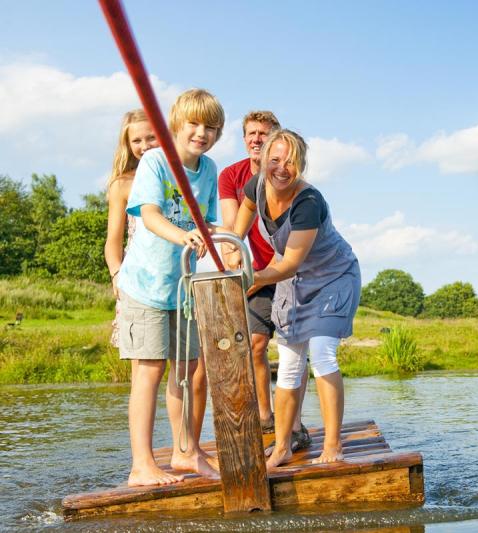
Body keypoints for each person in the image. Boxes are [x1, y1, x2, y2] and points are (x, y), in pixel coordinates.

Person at [226, 129, 360, 468]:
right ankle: (283, 446)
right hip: (293, 281)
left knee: (321, 353)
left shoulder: (308, 202)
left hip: (332, 278)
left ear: (300, 165)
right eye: (275, 160)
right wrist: (234, 246)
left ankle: (333, 445)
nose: (282, 168)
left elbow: (289, 263)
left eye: (291, 162)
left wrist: (250, 279)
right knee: (287, 365)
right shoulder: (257, 184)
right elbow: (245, 207)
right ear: (265, 160)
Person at [116, 88, 224, 486]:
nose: (202, 133)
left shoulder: (208, 169)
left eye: (211, 127)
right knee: (149, 370)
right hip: (146, 284)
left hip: (182, 287)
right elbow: (149, 214)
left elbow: (207, 221)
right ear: (177, 124)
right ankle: (141, 464)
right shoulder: (156, 161)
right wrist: (183, 236)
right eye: (195, 124)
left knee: (188, 369)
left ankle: (186, 452)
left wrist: (207, 233)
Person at [192, 111, 310, 451]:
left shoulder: (288, 175)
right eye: (251, 134)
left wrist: (256, 277)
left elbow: (289, 247)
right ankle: (264, 417)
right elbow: (234, 228)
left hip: (287, 268)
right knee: (256, 343)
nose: (256, 139)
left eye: (264, 133)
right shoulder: (232, 175)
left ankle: (296, 423)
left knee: (293, 346)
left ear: (277, 139)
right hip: (253, 267)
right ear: (244, 139)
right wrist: (236, 267)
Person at [105, 109, 159, 357]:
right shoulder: (123, 184)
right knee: (143, 361)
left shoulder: (178, 176)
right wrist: (117, 275)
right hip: (138, 279)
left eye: (151, 137)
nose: (145, 145)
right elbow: (113, 241)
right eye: (136, 141)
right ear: (128, 145)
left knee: (187, 362)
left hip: (175, 276)